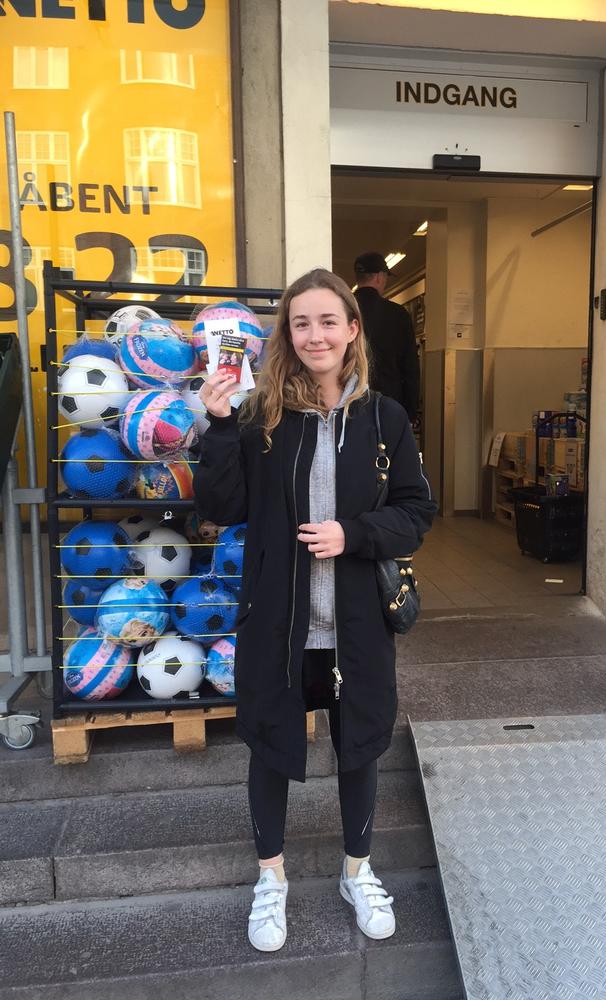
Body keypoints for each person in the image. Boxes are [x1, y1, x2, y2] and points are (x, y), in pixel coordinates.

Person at [194, 267, 436, 953]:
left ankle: (357, 871)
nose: (315, 335)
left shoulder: (385, 418)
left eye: (329, 321)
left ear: (353, 329)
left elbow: (417, 511)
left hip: (356, 622)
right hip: (279, 619)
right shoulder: (260, 418)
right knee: (270, 748)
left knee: (360, 747)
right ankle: (270, 877)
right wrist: (218, 426)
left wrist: (352, 534)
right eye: (301, 323)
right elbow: (220, 507)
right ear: (287, 334)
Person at [353, 251, 420, 422]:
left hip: (350, 401)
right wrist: (410, 414)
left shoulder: (344, 311)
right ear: (379, 277)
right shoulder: (398, 314)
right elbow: (410, 368)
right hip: (389, 404)